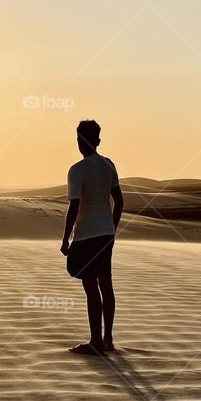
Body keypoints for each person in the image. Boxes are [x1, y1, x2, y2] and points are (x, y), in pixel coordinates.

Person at [60, 119, 124, 355]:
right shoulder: (109, 165)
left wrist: (65, 238)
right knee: (106, 284)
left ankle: (96, 342)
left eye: (80, 138)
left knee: (91, 286)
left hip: (86, 234)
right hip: (105, 233)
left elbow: (74, 207)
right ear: (98, 140)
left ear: (81, 140)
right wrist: (112, 229)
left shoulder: (77, 170)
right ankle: (107, 340)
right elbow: (120, 202)